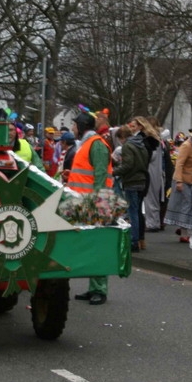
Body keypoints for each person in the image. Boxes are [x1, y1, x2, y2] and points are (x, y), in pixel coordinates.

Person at [69, 111, 114, 305]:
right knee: (90, 246)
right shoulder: (89, 144)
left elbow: (101, 175)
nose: (72, 129)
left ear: (81, 126)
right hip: (84, 201)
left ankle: (99, 289)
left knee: (96, 246)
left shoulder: (95, 144)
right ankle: (94, 288)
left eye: (74, 125)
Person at [112, 118, 149, 253]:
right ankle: (139, 239)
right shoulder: (141, 144)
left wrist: (114, 171)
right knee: (137, 210)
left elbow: (128, 165)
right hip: (142, 180)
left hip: (131, 181)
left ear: (122, 137)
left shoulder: (127, 146)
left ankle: (134, 241)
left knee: (132, 211)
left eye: (120, 139)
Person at [165, 125, 192, 243]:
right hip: (183, 180)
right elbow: (179, 164)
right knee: (187, 205)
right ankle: (184, 232)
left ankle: (183, 228)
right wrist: (179, 181)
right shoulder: (187, 146)